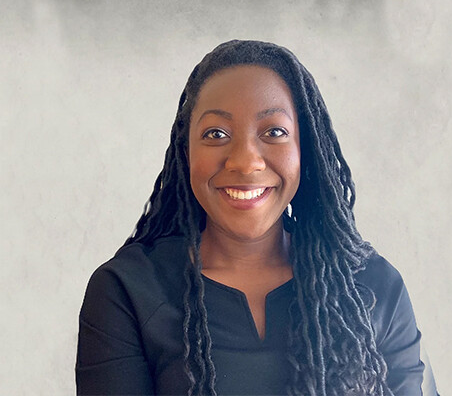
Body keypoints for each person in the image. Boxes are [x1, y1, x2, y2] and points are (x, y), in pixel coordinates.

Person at [76, 40, 427, 395]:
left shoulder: (374, 287)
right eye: (216, 134)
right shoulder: (127, 291)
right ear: (186, 152)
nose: (245, 161)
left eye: (274, 132)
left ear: (305, 149)